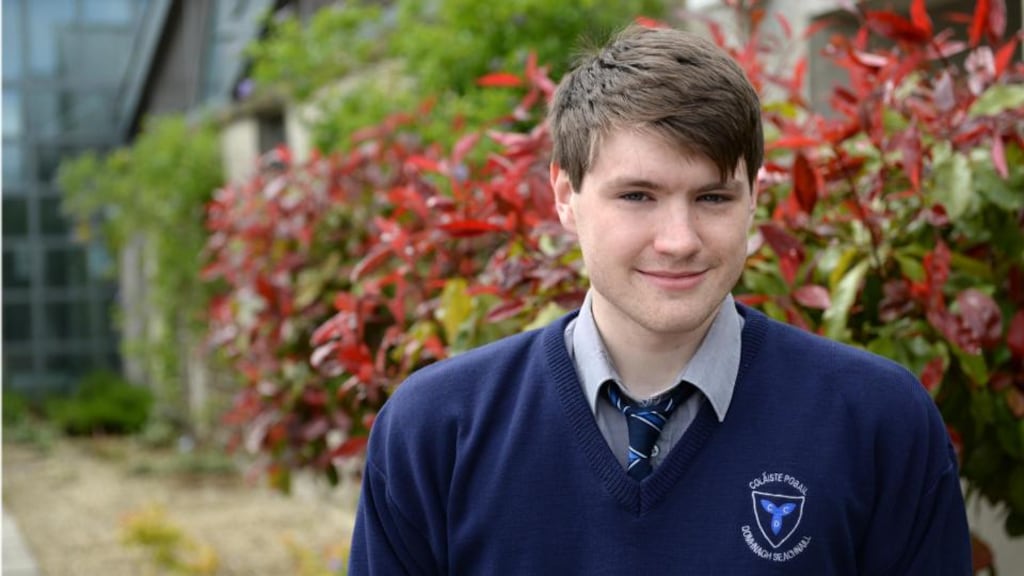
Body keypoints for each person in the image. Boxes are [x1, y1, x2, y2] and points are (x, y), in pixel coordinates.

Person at [347, 24, 972, 575]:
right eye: (637, 196)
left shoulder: (879, 423)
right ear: (565, 195)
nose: (679, 241)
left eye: (713, 198)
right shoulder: (435, 432)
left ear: (754, 197)